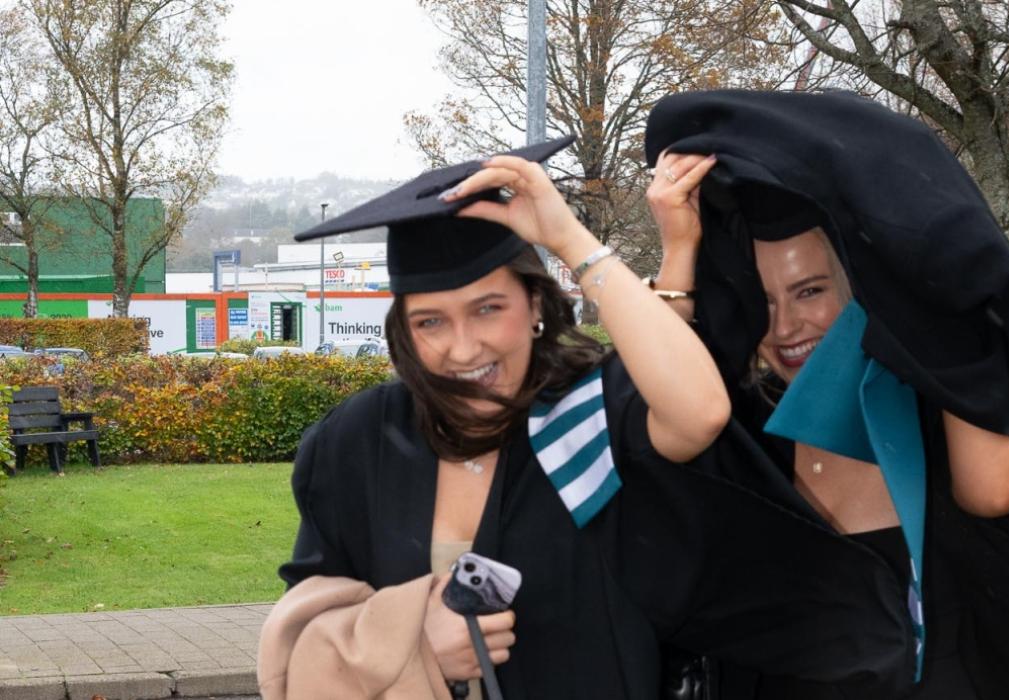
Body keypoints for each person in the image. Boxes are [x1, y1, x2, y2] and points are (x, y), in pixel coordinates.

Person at [258, 136, 916, 700]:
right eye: (430, 321)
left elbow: (702, 413)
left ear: (536, 306)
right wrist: (415, 643)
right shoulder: (356, 443)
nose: (462, 348)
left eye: (489, 308)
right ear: (403, 328)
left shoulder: (588, 413)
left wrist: (566, 236)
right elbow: (311, 619)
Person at [644, 89, 1009, 699]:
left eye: (810, 291)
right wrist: (679, 250)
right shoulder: (743, 429)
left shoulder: (933, 404)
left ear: (860, 291)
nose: (785, 327)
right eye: (764, 301)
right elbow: (663, 438)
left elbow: (995, 491)